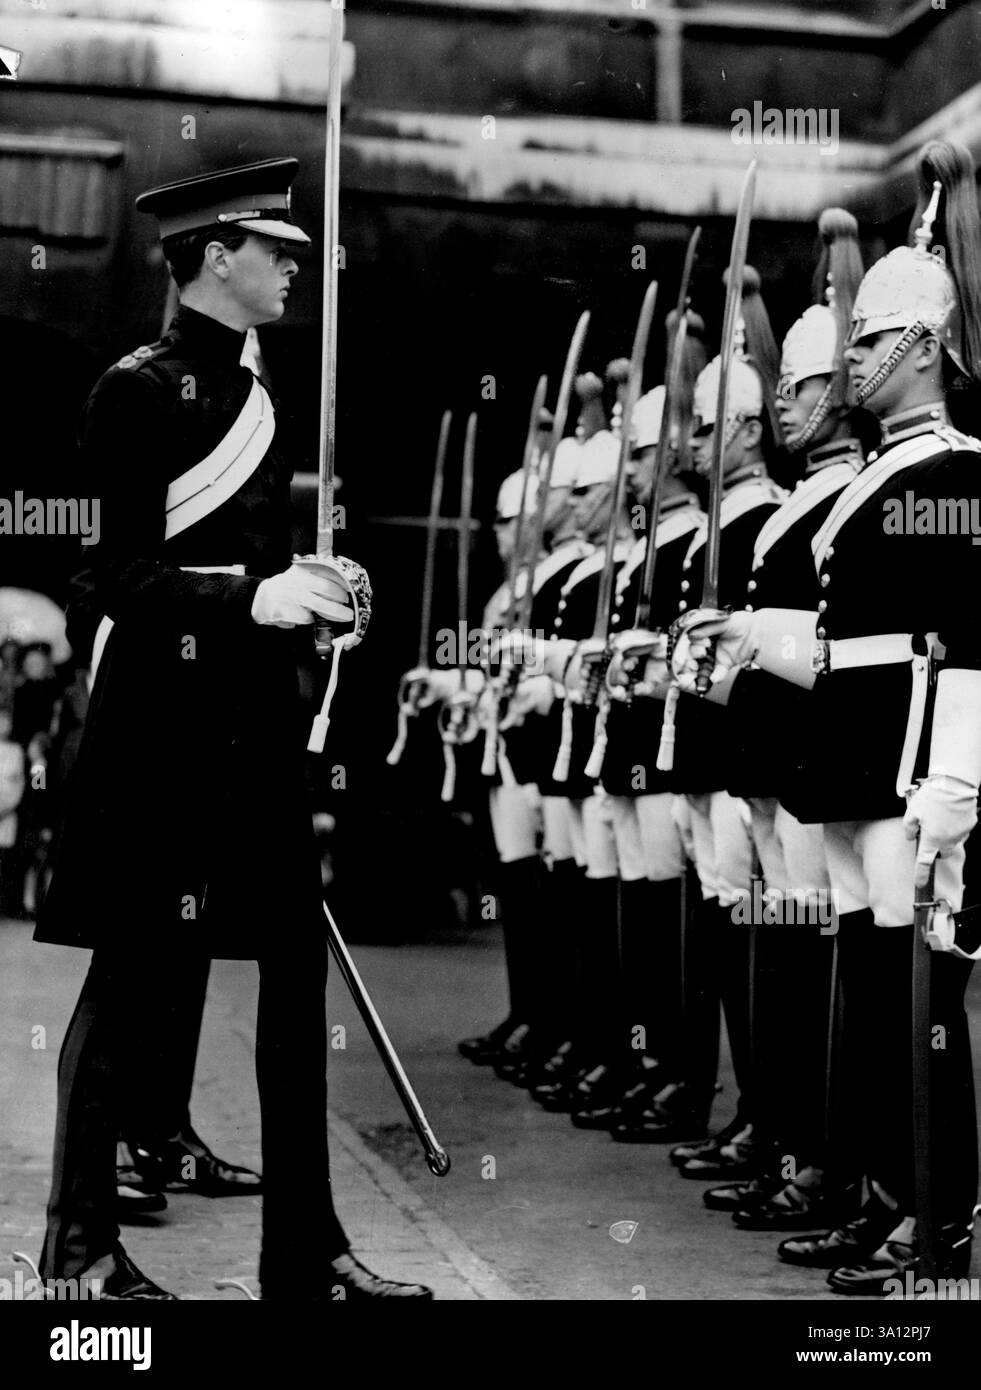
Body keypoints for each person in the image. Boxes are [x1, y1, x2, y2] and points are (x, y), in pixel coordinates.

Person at [34, 158, 433, 1300]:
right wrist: (256, 598)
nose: (295, 267)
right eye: (277, 251)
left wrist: (316, 590)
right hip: (162, 734)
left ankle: (301, 1255)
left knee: (296, 986)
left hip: (253, 730)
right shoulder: (134, 390)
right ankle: (79, 1250)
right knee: (130, 981)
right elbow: (112, 576)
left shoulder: (263, 396)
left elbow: (252, 569)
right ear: (217, 257)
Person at [672, 138, 981, 1293]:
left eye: (867, 339)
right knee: (870, 990)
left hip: (906, 770)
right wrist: (754, 635)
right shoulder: (880, 481)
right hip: (850, 764)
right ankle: (883, 1188)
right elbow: (847, 640)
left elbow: (966, 640)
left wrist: (958, 781)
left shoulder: (951, 475)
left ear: (922, 347)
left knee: (918, 1003)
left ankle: (939, 1214)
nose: (851, 354)